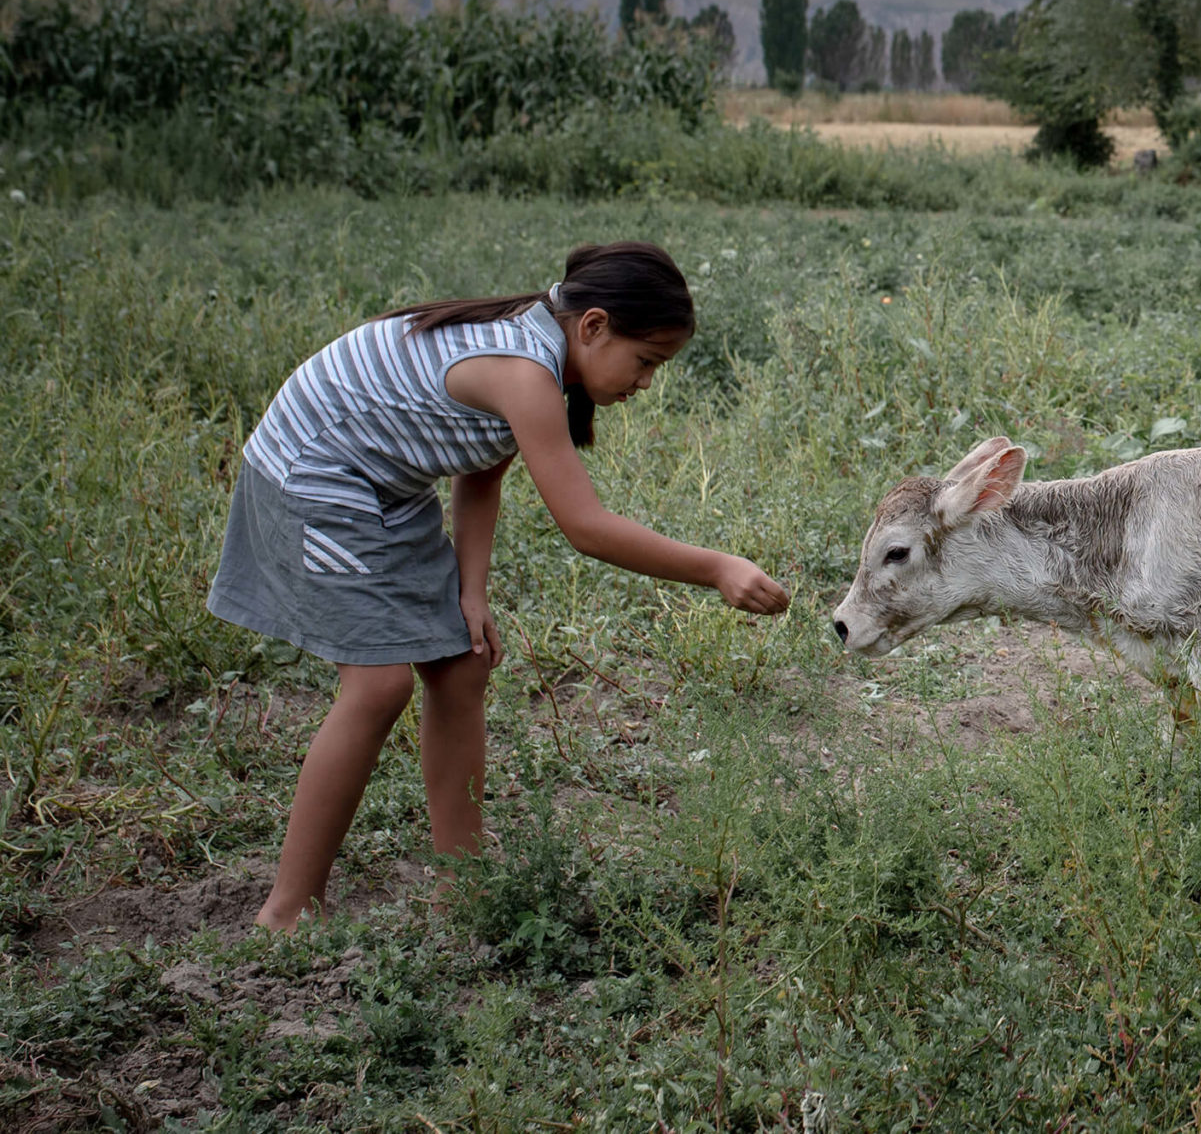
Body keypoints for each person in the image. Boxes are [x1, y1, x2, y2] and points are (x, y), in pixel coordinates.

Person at [208, 240, 787, 932]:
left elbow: (480, 467)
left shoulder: (541, 341)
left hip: (382, 487)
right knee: (378, 685)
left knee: (463, 664)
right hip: (312, 476)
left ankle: (463, 886)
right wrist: (716, 566)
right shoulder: (523, 370)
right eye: (646, 362)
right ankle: (288, 910)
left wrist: (470, 593)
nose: (645, 384)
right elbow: (587, 525)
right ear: (594, 325)